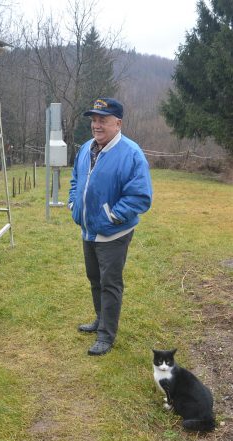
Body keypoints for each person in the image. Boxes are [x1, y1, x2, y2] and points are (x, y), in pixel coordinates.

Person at [68, 98, 153, 356]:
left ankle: (106, 335)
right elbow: (75, 179)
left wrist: (112, 217)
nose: (96, 125)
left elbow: (140, 197)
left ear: (118, 123)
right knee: (94, 278)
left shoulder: (131, 153)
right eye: (94, 119)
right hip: (88, 229)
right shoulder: (86, 148)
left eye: (103, 120)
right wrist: (74, 203)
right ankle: (99, 319)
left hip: (113, 233)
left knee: (110, 283)